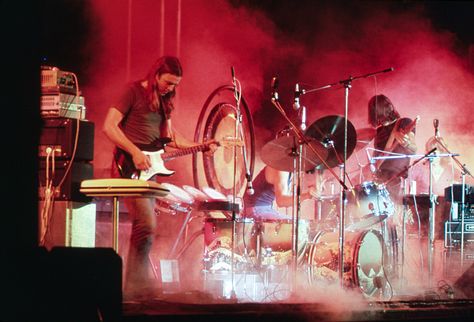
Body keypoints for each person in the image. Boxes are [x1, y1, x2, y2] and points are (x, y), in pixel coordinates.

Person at [103, 56, 215, 299]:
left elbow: (172, 139)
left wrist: (201, 145)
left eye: (175, 85)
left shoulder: (165, 103)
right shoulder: (132, 92)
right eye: (168, 82)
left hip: (150, 171)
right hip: (128, 167)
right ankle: (135, 286)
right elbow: (109, 126)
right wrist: (133, 152)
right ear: (155, 75)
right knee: (146, 224)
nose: (170, 88)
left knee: (147, 227)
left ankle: (137, 283)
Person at [368, 94, 418, 198]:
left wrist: (406, 143)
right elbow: (376, 155)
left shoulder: (403, 122)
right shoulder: (379, 131)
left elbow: (414, 149)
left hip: (396, 177)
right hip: (379, 178)